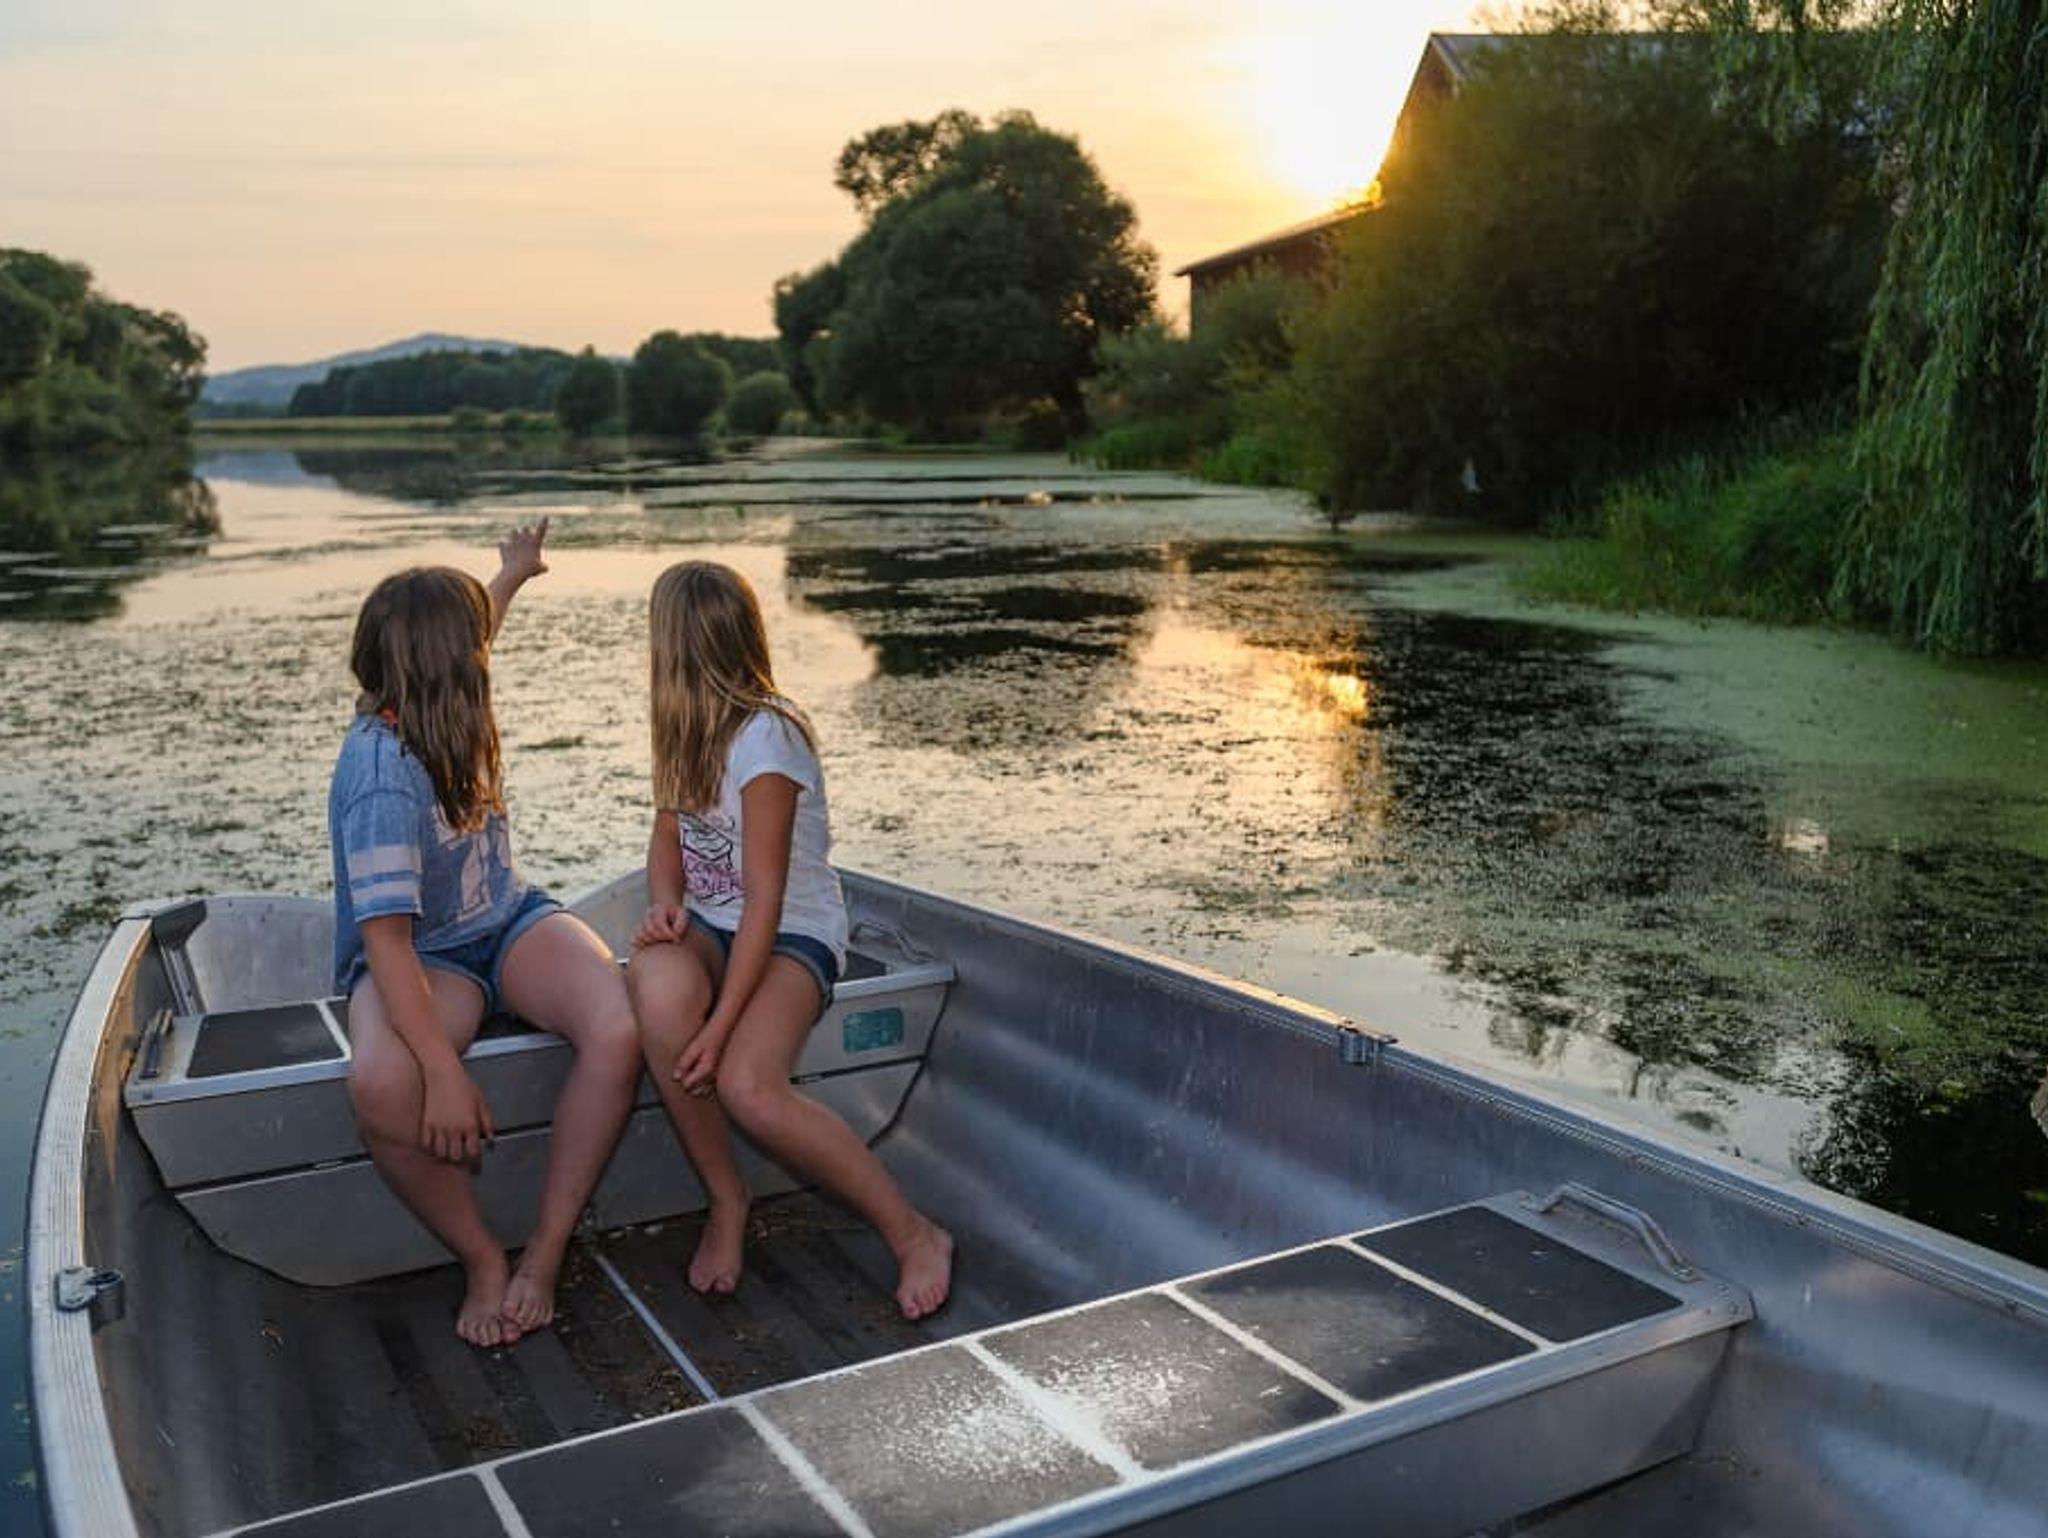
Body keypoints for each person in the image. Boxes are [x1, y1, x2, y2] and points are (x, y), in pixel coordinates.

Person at [331, 521, 641, 1347]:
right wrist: (442, 1072)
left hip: (508, 921)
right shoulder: (380, 779)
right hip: (425, 957)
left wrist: (512, 575)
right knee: (382, 1085)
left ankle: (545, 1251)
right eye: (473, 650)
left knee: (616, 1029)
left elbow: (475, 630)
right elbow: (387, 944)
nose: (484, 655)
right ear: (451, 674)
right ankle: (482, 1259)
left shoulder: (435, 695)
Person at [626, 561, 952, 1320]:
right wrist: (667, 906)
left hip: (791, 933)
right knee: (657, 987)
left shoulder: (767, 738)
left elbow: (766, 902)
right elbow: (668, 839)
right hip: (713, 924)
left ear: (671, 646)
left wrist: (721, 1027)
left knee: (747, 1085)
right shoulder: (684, 724)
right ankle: (727, 1198)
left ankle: (914, 1234)